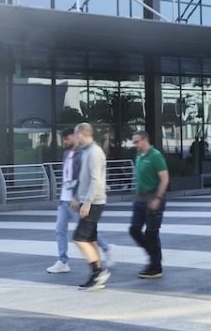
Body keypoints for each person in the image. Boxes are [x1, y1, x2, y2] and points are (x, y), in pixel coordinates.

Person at [47, 128, 113, 274]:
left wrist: (78, 197)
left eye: (67, 138)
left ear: (76, 137)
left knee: (85, 232)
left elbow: (87, 178)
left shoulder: (84, 153)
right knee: (60, 229)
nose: (64, 141)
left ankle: (105, 251)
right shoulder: (66, 154)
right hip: (64, 199)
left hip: (77, 200)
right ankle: (62, 261)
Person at [71, 122, 110, 290]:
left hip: (94, 202)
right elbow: (84, 178)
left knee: (79, 238)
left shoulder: (94, 152)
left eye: (75, 134)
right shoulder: (87, 151)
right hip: (90, 201)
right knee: (90, 239)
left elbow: (96, 180)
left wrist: (86, 203)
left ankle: (98, 272)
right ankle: (98, 274)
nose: (74, 138)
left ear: (80, 134)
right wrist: (76, 197)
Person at [129, 130, 169, 279]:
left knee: (151, 232)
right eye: (134, 142)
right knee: (134, 230)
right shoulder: (139, 155)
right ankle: (153, 256)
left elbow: (164, 179)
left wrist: (157, 198)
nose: (135, 144)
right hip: (140, 199)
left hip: (154, 197)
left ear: (145, 140)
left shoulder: (155, 156)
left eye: (137, 141)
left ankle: (156, 266)